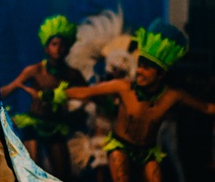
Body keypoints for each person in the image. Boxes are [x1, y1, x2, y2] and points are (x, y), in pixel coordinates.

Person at [55, 19, 215, 182]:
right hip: (121, 147)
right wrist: (58, 93)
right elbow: (86, 92)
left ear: (160, 74)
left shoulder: (172, 96)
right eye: (140, 65)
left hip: (147, 151)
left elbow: (207, 108)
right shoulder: (124, 87)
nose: (139, 71)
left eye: (146, 68)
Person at [0, 14, 87, 181]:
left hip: (55, 125)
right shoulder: (35, 70)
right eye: (54, 44)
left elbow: (89, 94)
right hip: (34, 124)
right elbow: (10, 88)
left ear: (68, 48)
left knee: (63, 173)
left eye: (62, 45)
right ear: (46, 48)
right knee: (33, 171)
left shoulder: (72, 74)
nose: (58, 48)